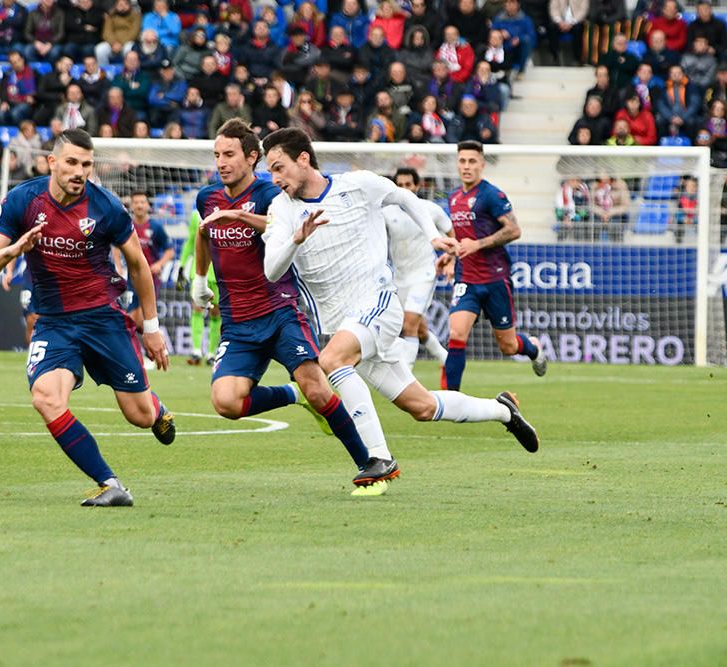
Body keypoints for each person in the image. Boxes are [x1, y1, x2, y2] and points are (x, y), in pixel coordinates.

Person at [260, 128, 539, 498]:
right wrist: (296, 240)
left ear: (303, 159)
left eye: (279, 168)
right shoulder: (281, 210)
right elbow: (271, 271)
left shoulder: (356, 184)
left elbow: (405, 197)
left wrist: (431, 235)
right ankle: (503, 410)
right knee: (421, 406)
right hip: (345, 324)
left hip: (378, 304)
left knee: (331, 359)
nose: (275, 178)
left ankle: (378, 458)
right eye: (271, 171)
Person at [0, 128, 176, 508]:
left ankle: (156, 407)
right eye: (71, 162)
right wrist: (16, 249)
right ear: (52, 162)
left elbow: (138, 265)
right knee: (46, 398)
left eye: (86, 164)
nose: (79, 171)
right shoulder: (22, 201)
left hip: (104, 320)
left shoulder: (106, 207)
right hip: (54, 323)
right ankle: (110, 483)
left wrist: (150, 328)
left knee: (140, 415)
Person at [190, 119, 389, 494]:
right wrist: (201, 280)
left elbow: (281, 224)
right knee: (226, 402)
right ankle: (291, 395)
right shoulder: (207, 198)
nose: (221, 162)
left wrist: (239, 216)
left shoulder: (274, 196)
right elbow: (206, 232)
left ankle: (370, 464)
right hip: (237, 322)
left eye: (229, 154)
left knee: (318, 386)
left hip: (279, 311)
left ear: (252, 157)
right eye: (217, 155)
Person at [439, 140, 546, 391]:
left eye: (472, 161)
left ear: (482, 165)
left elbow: (514, 230)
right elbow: (458, 233)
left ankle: (532, 348)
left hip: (495, 279)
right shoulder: (453, 197)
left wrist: (478, 244)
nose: (467, 166)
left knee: (508, 346)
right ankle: (451, 400)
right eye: (462, 161)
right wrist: (451, 254)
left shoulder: (491, 195)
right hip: (466, 279)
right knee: (456, 334)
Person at [385, 167, 451, 370]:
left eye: (408, 184)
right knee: (419, 330)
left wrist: (451, 260)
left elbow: (451, 233)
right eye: (400, 185)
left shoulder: (431, 209)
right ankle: (447, 359)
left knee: (409, 324)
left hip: (425, 273)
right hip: (400, 277)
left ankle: (406, 378)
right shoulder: (386, 213)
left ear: (417, 186)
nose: (404, 189)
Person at [117, 192, 174, 336]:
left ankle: (150, 352)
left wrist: (159, 264)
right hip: (130, 278)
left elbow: (170, 250)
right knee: (132, 319)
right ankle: (146, 353)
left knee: (143, 320)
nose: (139, 205)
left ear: (148, 205)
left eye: (142, 202)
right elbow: (115, 246)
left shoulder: (156, 227)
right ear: (131, 205)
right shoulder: (126, 225)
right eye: (136, 202)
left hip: (150, 278)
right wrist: (118, 266)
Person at [177, 209, 220, 365]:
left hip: (218, 272)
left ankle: (211, 353)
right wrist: (182, 265)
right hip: (199, 271)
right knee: (197, 309)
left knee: (216, 313)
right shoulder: (196, 215)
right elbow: (190, 242)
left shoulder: (226, 212)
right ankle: (196, 351)